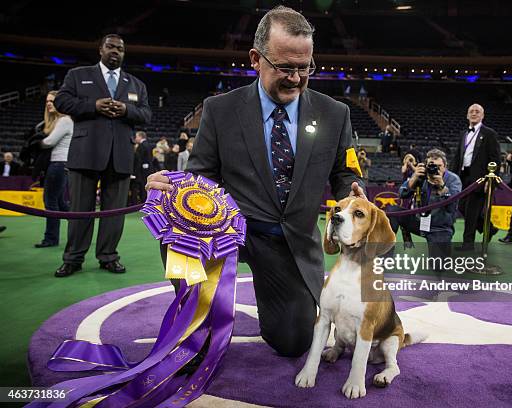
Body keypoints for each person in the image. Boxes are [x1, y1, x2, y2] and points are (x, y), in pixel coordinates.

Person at [147, 5, 365, 358]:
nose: (295, 78)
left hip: (289, 242)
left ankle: (279, 311)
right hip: (228, 232)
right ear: (255, 58)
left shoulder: (335, 113)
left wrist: (353, 195)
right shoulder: (219, 109)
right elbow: (200, 175)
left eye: (304, 67)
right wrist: (173, 187)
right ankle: (195, 326)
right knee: (178, 226)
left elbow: (345, 173)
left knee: (296, 343)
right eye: (284, 67)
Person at [53, 34, 151, 277]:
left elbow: (146, 114)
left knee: (114, 213)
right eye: (111, 47)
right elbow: (62, 101)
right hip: (85, 152)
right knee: (79, 210)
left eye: (120, 48)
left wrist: (127, 110)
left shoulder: (136, 84)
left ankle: (108, 256)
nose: (115, 51)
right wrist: (93, 106)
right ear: (100, 49)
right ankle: (73, 258)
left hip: (120, 155)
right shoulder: (78, 75)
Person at [389, 149, 462, 259]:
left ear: (445, 166)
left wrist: (442, 186)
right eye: (432, 166)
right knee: (392, 211)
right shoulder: (421, 176)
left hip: (439, 228)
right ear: (426, 166)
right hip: (419, 222)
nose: (435, 169)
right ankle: (386, 252)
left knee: (439, 266)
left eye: (439, 166)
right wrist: (414, 177)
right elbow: (402, 194)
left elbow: (451, 208)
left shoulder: (453, 179)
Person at [450, 103, 501, 251]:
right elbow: (457, 157)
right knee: (461, 207)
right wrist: (451, 176)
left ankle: (468, 243)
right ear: (467, 115)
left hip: (480, 178)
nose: (473, 113)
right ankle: (489, 229)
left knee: (472, 210)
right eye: (471, 111)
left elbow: (495, 159)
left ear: (482, 115)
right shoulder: (463, 133)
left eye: (477, 111)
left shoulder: (489, 133)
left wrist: (491, 180)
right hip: (462, 177)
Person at [35, 91, 74, 248]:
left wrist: (35, 142)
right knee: (60, 203)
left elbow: (49, 142)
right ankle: (83, 222)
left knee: (50, 201)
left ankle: (51, 238)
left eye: (52, 100)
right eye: (47, 101)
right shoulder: (59, 120)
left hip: (58, 164)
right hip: (60, 165)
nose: (49, 103)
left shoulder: (64, 120)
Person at [132, 131, 155, 204]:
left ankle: (144, 202)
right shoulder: (148, 144)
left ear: (140, 137)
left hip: (142, 171)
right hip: (148, 169)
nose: (135, 138)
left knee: (143, 186)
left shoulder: (141, 146)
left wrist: (135, 172)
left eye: (136, 136)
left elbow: (139, 160)